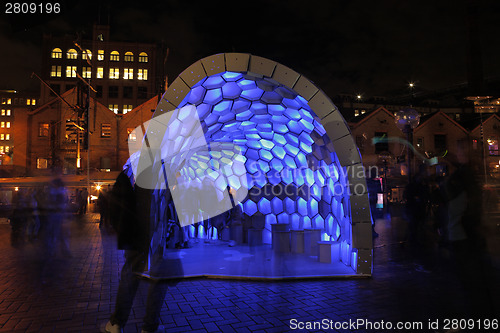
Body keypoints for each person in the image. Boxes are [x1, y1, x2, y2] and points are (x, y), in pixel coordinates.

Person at [104, 167, 183, 333]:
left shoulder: (131, 171)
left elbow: (117, 206)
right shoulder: (167, 171)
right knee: (157, 279)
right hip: (157, 236)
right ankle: (149, 327)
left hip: (137, 235)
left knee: (131, 277)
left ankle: (117, 323)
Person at [441, 152, 494, 319]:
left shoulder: (459, 193)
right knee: (474, 276)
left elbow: (458, 216)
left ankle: (477, 313)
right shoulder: (468, 193)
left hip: (462, 237)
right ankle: (481, 312)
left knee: (469, 277)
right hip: (466, 237)